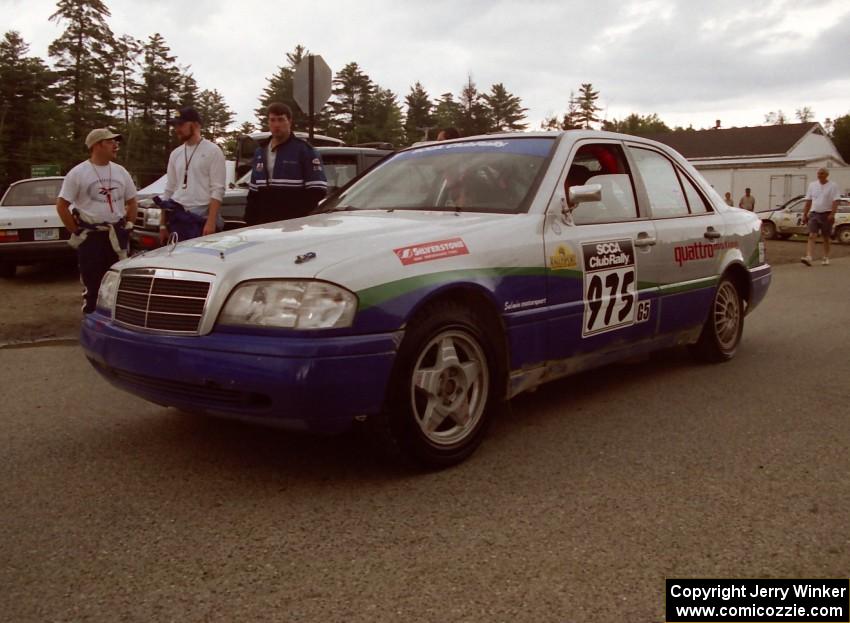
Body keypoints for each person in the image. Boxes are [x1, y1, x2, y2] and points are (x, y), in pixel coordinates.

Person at [56, 128, 138, 314]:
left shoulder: (121, 172)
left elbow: (132, 201)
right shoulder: (78, 173)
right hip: (91, 238)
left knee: (118, 281)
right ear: (97, 145)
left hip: (117, 236)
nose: (116, 146)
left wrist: (129, 225)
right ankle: (92, 318)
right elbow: (62, 205)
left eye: (116, 142)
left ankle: (117, 320)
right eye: (111, 142)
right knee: (93, 281)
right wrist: (76, 231)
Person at [244, 102, 328, 225]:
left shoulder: (304, 150)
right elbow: (253, 194)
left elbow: (317, 191)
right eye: (272, 120)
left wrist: (296, 217)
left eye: (281, 120)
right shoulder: (260, 152)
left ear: (289, 121)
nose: (276, 125)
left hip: (292, 225)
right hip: (264, 224)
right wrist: (250, 221)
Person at [159, 106, 226, 242]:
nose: (177, 129)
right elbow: (169, 188)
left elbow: (217, 189)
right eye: (175, 125)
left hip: (202, 218)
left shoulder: (213, 151)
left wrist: (211, 222)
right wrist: (162, 224)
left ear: (196, 125)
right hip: (178, 217)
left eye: (181, 124)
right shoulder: (175, 154)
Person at [801, 168, 840, 266]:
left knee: (825, 237)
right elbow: (808, 201)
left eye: (822, 173)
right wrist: (804, 214)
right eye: (818, 173)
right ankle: (809, 256)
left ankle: (826, 257)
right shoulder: (812, 185)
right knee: (811, 235)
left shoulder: (833, 186)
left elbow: (836, 201)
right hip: (814, 213)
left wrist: (832, 214)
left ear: (827, 175)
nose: (819, 175)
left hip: (827, 214)